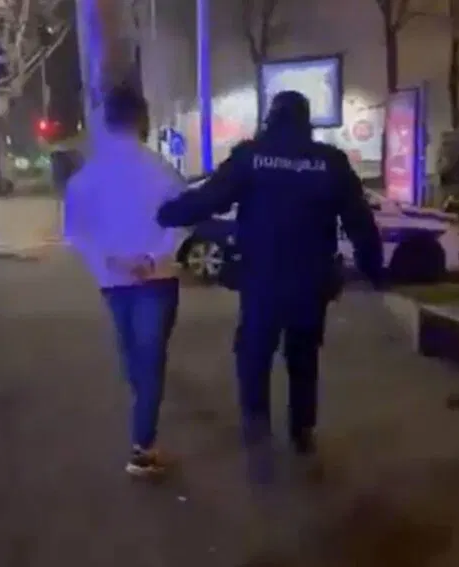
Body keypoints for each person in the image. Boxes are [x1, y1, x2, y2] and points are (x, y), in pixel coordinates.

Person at [156, 90, 386, 463]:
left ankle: (256, 423)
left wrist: (166, 214)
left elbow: (211, 197)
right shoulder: (330, 161)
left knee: (254, 351)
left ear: (271, 117)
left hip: (262, 277)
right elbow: (359, 220)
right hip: (312, 280)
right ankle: (302, 430)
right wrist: (373, 268)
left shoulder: (251, 156)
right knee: (303, 356)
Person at [64, 86, 186, 477]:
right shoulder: (162, 170)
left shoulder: (85, 178)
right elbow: (182, 220)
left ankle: (142, 426)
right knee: (150, 358)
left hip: (113, 281)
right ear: (141, 120)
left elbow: (76, 232)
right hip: (157, 278)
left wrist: (111, 259)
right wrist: (152, 257)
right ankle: (142, 446)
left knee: (134, 353)